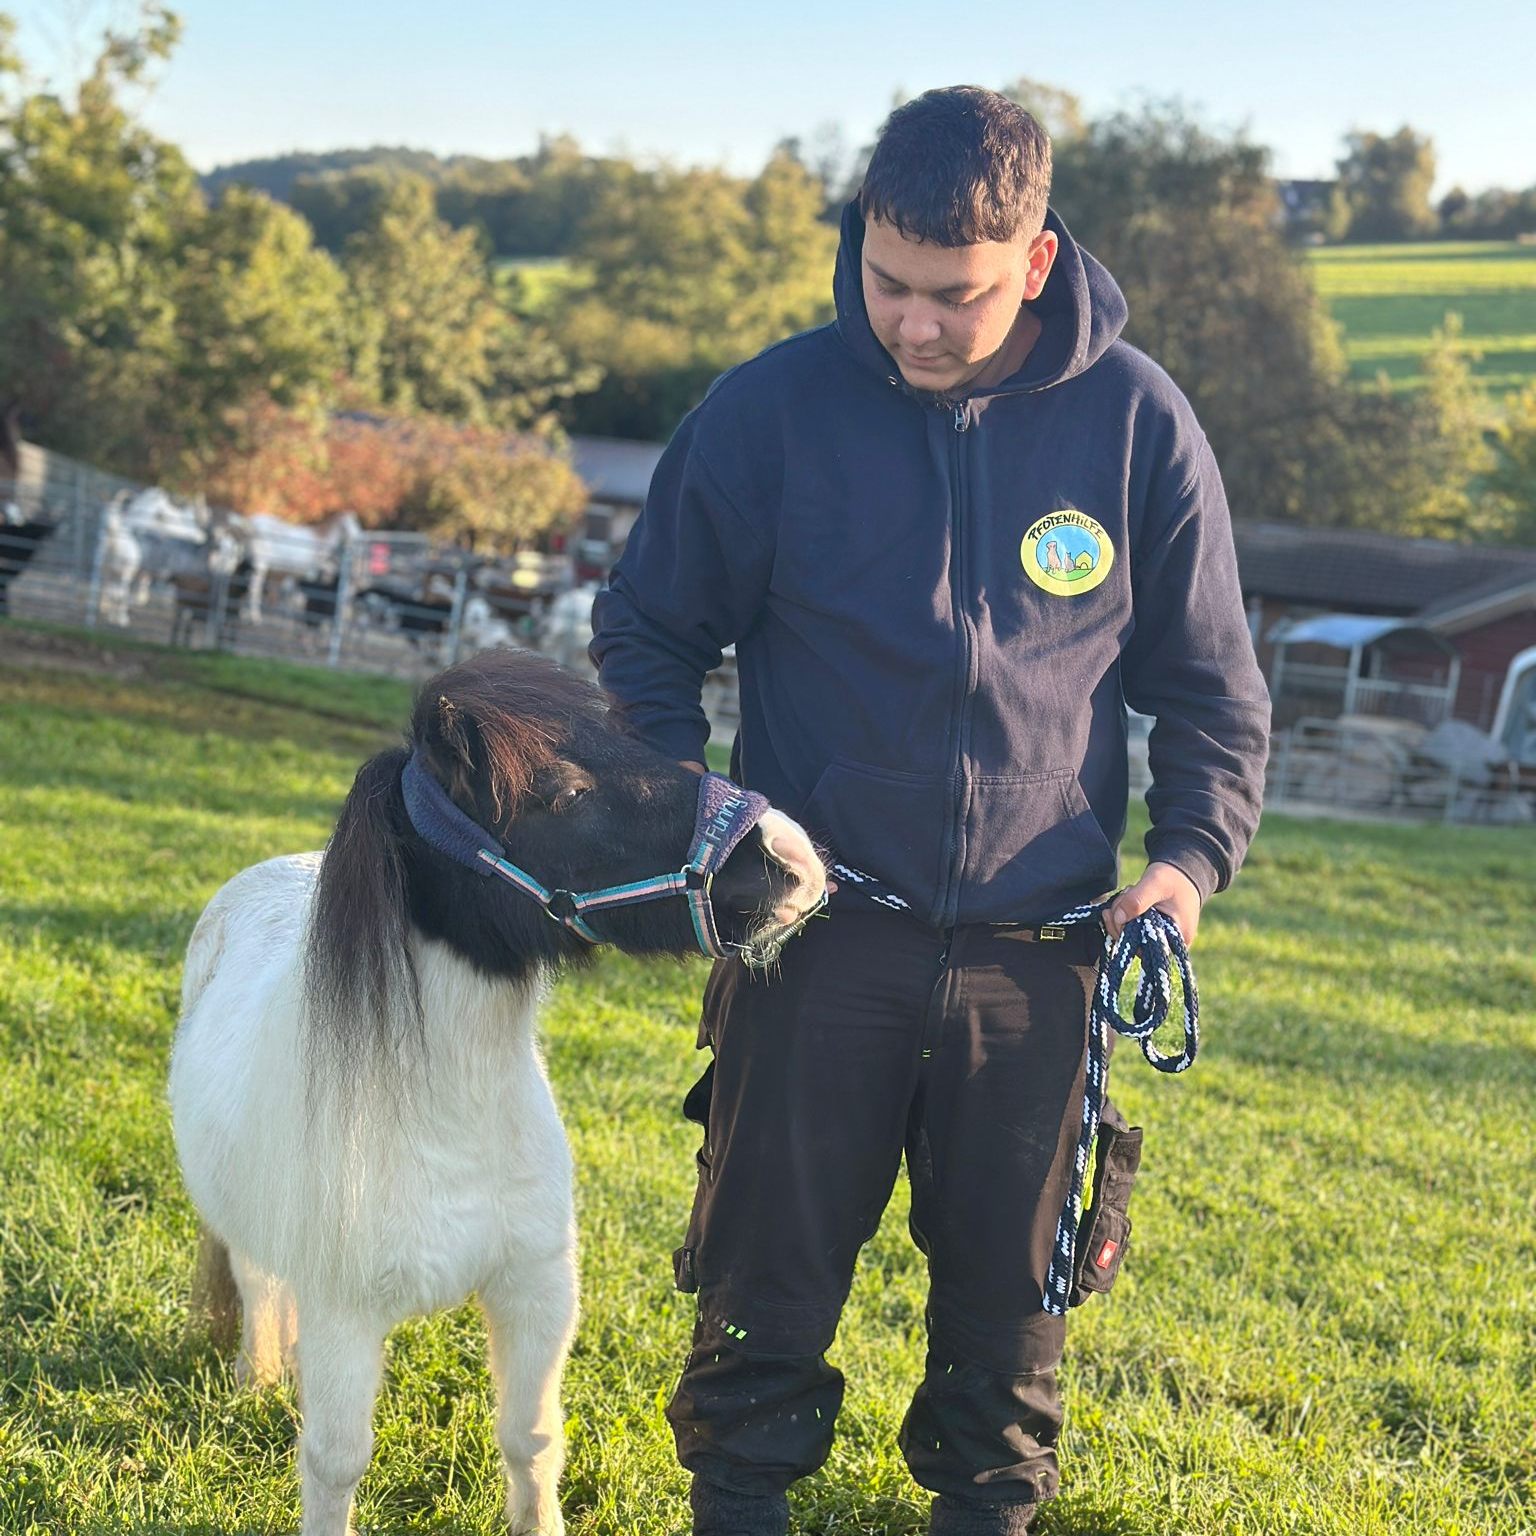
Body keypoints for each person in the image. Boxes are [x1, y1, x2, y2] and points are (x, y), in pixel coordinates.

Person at [590, 86, 1271, 1536]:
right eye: (886, 280)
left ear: (1035, 260)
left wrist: (1188, 863)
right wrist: (691, 806)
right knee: (761, 1290)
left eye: (954, 295)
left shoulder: (1137, 422)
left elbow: (1214, 687)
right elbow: (646, 629)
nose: (911, 321)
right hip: (814, 935)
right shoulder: (770, 411)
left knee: (1011, 1331)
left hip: (1044, 954)